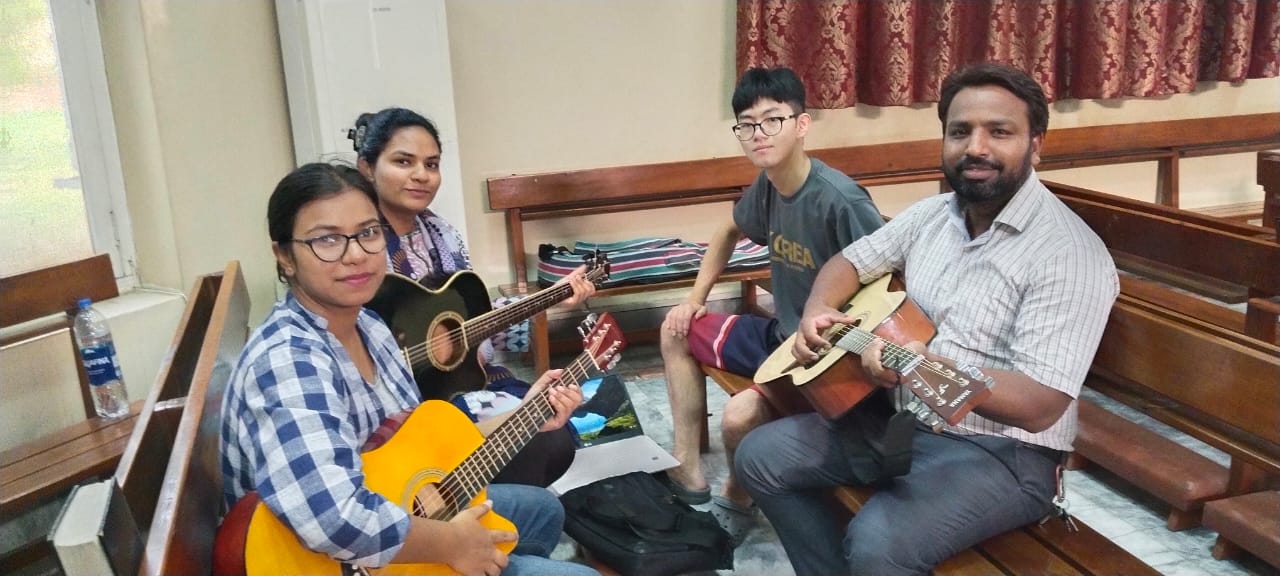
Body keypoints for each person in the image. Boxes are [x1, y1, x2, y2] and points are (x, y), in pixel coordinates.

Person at [734, 62, 1120, 576]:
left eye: (999, 132)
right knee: (760, 455)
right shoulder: (933, 215)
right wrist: (817, 309)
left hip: (1006, 453)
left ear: (1036, 145)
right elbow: (849, 262)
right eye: (960, 132)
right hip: (908, 421)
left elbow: (1040, 404)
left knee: (877, 544)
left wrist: (922, 368)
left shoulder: (1067, 253)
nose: (976, 147)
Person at [220, 163, 599, 576]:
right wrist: (453, 543)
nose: (356, 255)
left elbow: (413, 445)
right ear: (284, 256)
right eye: (327, 239)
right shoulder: (288, 361)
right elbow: (332, 517)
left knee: (543, 510)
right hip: (332, 558)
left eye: (368, 233)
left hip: (391, 504)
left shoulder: (369, 326)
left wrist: (527, 413)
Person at [659, 67, 884, 543]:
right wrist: (695, 300)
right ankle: (686, 469)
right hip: (779, 335)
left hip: (821, 358)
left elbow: (887, 284)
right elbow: (727, 229)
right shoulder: (768, 185)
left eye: (772, 120)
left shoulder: (841, 201)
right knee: (674, 327)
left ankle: (737, 499)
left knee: (739, 417)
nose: (758, 133)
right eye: (747, 124)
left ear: (801, 125)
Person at [351, 107, 595, 488]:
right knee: (538, 444)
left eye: (432, 164)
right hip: (402, 409)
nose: (421, 175)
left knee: (555, 431)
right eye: (403, 161)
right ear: (367, 167)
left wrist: (551, 299)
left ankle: (499, 506)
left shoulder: (442, 235)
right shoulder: (359, 248)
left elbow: (470, 324)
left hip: (457, 381)